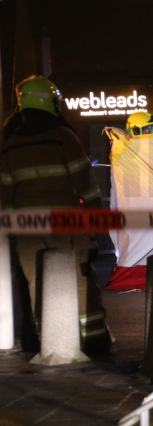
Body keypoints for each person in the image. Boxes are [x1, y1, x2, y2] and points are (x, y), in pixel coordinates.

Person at [0, 76, 112, 353]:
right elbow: (86, 185)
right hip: (66, 223)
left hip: (27, 228)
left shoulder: (11, 144)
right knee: (80, 278)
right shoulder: (63, 137)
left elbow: (5, 194)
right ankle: (94, 339)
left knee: (38, 284)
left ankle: (52, 343)